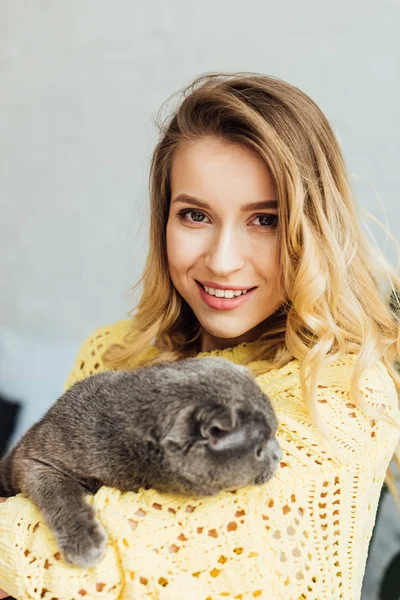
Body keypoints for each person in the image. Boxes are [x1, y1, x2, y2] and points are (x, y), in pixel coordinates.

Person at [0, 71, 399, 600]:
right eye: (195, 215)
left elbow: (89, 568)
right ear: (163, 219)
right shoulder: (116, 351)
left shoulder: (344, 394)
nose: (223, 260)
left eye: (265, 220)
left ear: (311, 227)